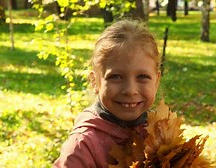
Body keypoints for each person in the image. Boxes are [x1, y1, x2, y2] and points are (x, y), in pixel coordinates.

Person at [53, 19, 161, 168]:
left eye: (142, 77)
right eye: (116, 77)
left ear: (157, 81)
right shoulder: (83, 146)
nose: (130, 90)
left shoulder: (161, 130)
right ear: (95, 81)